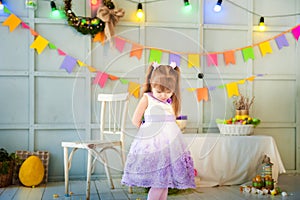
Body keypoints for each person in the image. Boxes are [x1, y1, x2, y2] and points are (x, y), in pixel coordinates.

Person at [121, 62, 196, 200]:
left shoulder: (170, 101)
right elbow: (135, 120)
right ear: (151, 85)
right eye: (159, 91)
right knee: (158, 183)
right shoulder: (147, 98)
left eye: (168, 91)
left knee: (164, 181)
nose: (163, 95)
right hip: (153, 144)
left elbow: (171, 121)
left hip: (170, 145)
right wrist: (149, 130)